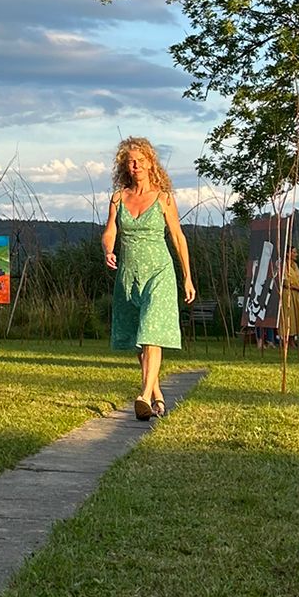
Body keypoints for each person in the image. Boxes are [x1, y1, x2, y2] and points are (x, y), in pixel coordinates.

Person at [102, 136, 195, 420]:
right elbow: (110, 231)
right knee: (138, 340)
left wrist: (187, 277)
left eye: (141, 160)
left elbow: (178, 237)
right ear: (125, 166)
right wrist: (108, 250)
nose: (136, 165)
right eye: (131, 161)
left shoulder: (164, 198)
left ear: (151, 163)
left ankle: (143, 395)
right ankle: (157, 397)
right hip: (129, 275)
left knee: (151, 333)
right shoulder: (118, 198)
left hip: (159, 272)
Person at [279, 245, 299, 351]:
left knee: (295, 316)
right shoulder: (284, 266)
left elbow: (297, 278)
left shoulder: (295, 265)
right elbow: (286, 282)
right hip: (288, 294)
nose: (296, 254)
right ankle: (286, 340)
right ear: (288, 254)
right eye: (294, 252)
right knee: (289, 316)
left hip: (297, 295)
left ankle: (292, 339)